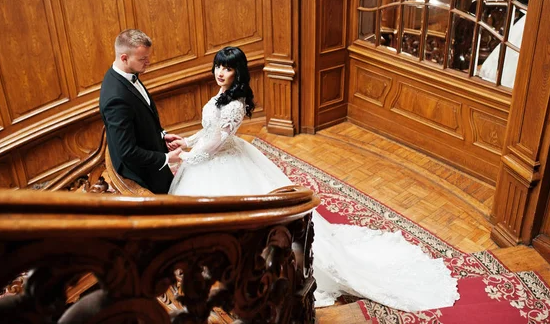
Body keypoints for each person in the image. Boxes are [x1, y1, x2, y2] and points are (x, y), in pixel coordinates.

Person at [168, 46, 460, 311]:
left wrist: (185, 157)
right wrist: (187, 140)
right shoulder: (221, 95)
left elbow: (218, 140)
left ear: (238, 72)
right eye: (218, 66)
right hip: (214, 157)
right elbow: (208, 130)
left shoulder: (235, 104)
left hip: (223, 160)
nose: (220, 72)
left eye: (227, 68)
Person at [99, 29, 184, 194]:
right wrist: (166, 158)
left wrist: (161, 135)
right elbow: (127, 152)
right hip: (143, 173)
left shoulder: (126, 73)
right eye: (143, 59)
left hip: (150, 153)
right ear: (124, 58)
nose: (148, 62)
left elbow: (141, 119)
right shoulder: (116, 99)